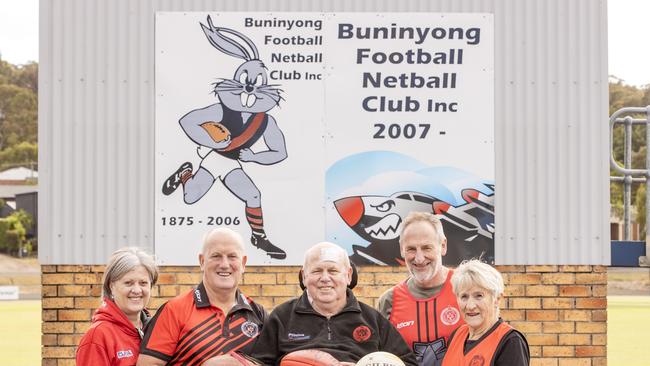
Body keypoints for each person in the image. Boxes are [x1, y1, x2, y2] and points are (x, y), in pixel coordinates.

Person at [250, 242, 416, 365]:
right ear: (304, 276)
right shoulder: (282, 317)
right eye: (316, 271)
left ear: (348, 275)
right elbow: (259, 363)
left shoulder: (372, 320)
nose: (325, 278)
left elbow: (407, 362)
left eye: (333, 271)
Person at [137, 228, 266, 365]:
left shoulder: (259, 314)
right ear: (202, 261)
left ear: (243, 263)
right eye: (216, 256)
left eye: (232, 256)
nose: (224, 264)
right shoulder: (174, 310)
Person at [377, 212, 463, 365]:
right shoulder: (389, 301)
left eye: (426, 248)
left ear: (443, 246)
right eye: (411, 249)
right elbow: (380, 357)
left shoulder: (466, 288)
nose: (419, 258)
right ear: (402, 250)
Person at [76, 247, 159, 365]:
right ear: (111, 286)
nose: (136, 290)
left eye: (143, 283)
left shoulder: (155, 330)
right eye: (128, 283)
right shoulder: (97, 337)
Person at [442, 259, 529, 366]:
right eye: (464, 296)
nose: (470, 306)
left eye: (479, 296)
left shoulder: (510, 342)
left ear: (497, 299)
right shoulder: (457, 335)